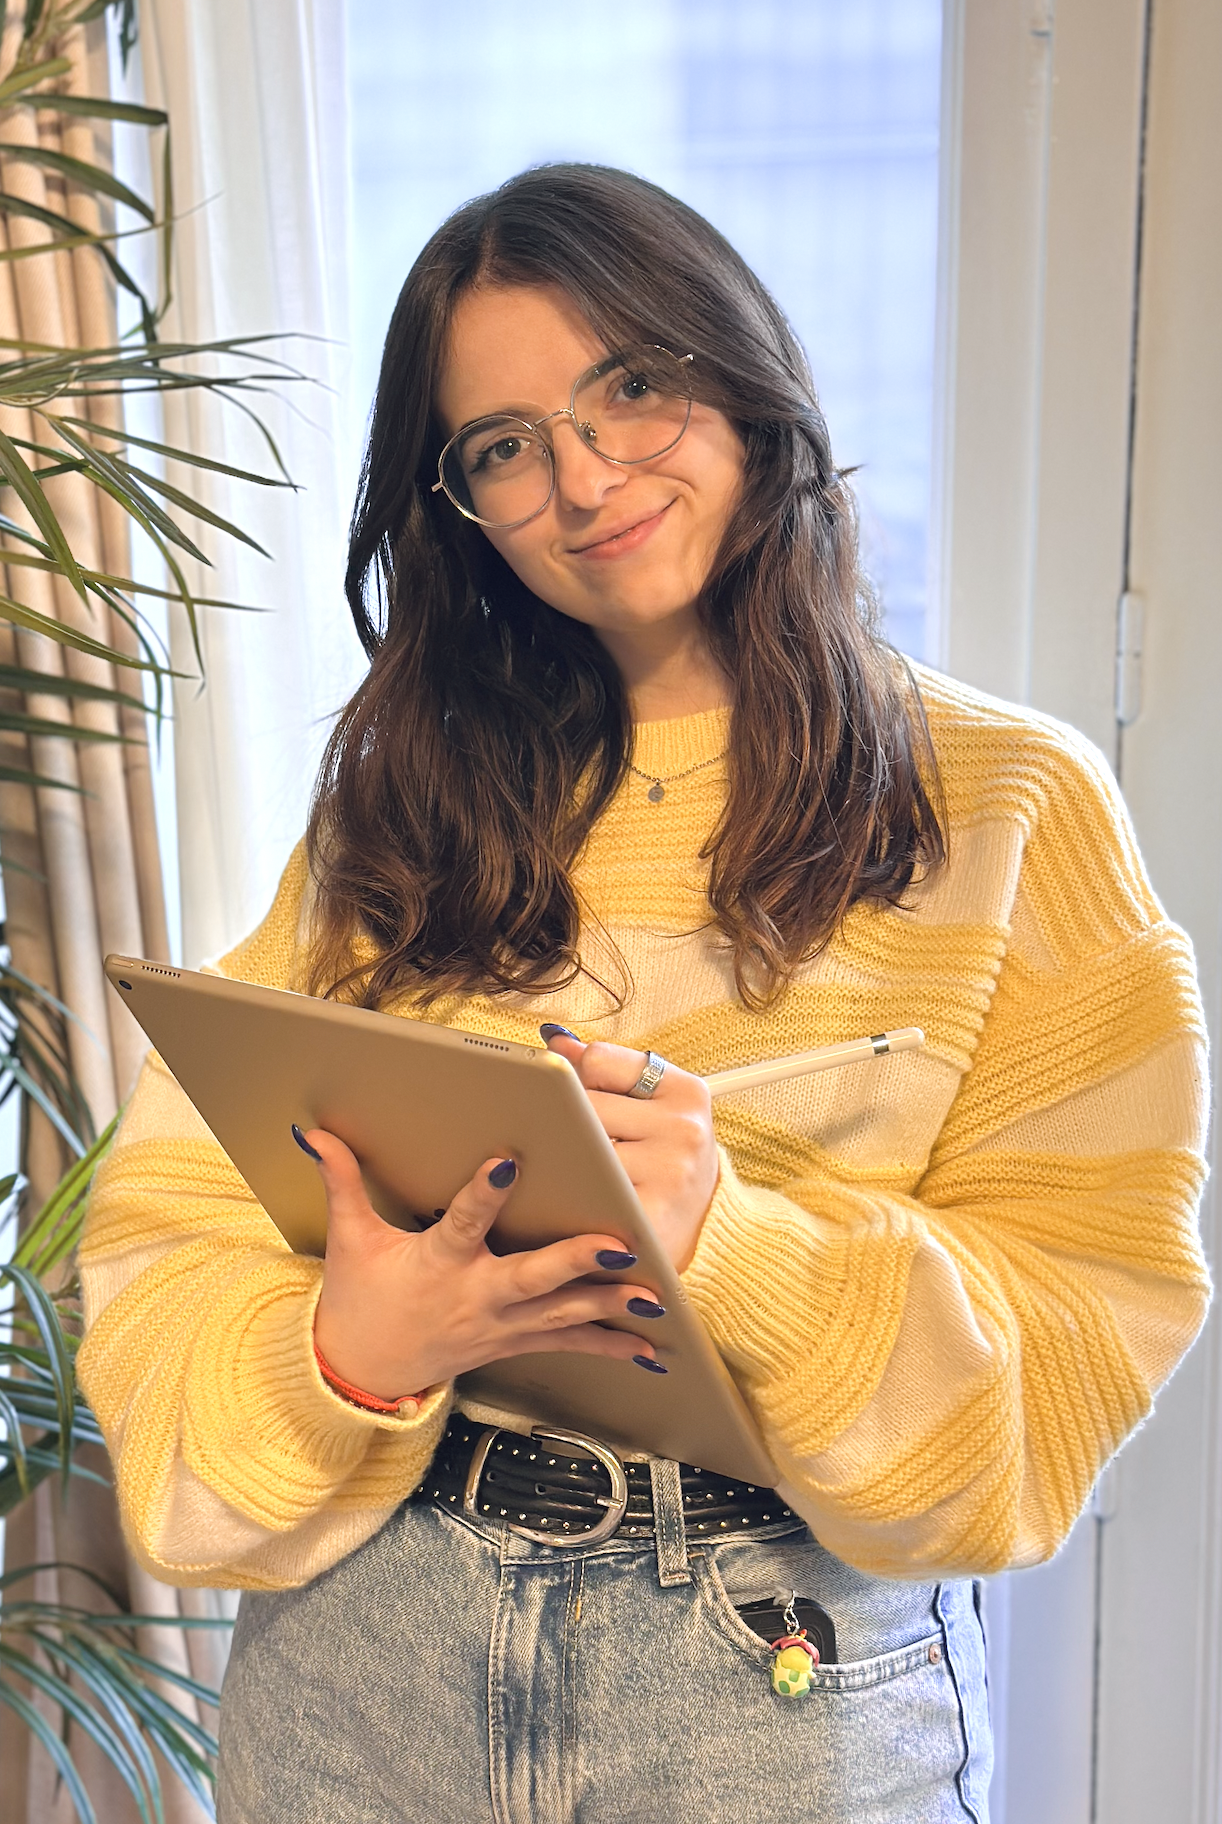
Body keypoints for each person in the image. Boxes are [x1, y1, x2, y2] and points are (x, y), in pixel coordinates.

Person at [77, 165, 1210, 1824]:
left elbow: (1062, 1369)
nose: (585, 478)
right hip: (364, 1651)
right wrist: (352, 1351)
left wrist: (724, 1240)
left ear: (739, 376)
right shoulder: (400, 807)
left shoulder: (1001, 805)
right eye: (501, 445)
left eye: (630, 385)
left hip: (771, 1663)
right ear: (457, 508)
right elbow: (165, 1243)